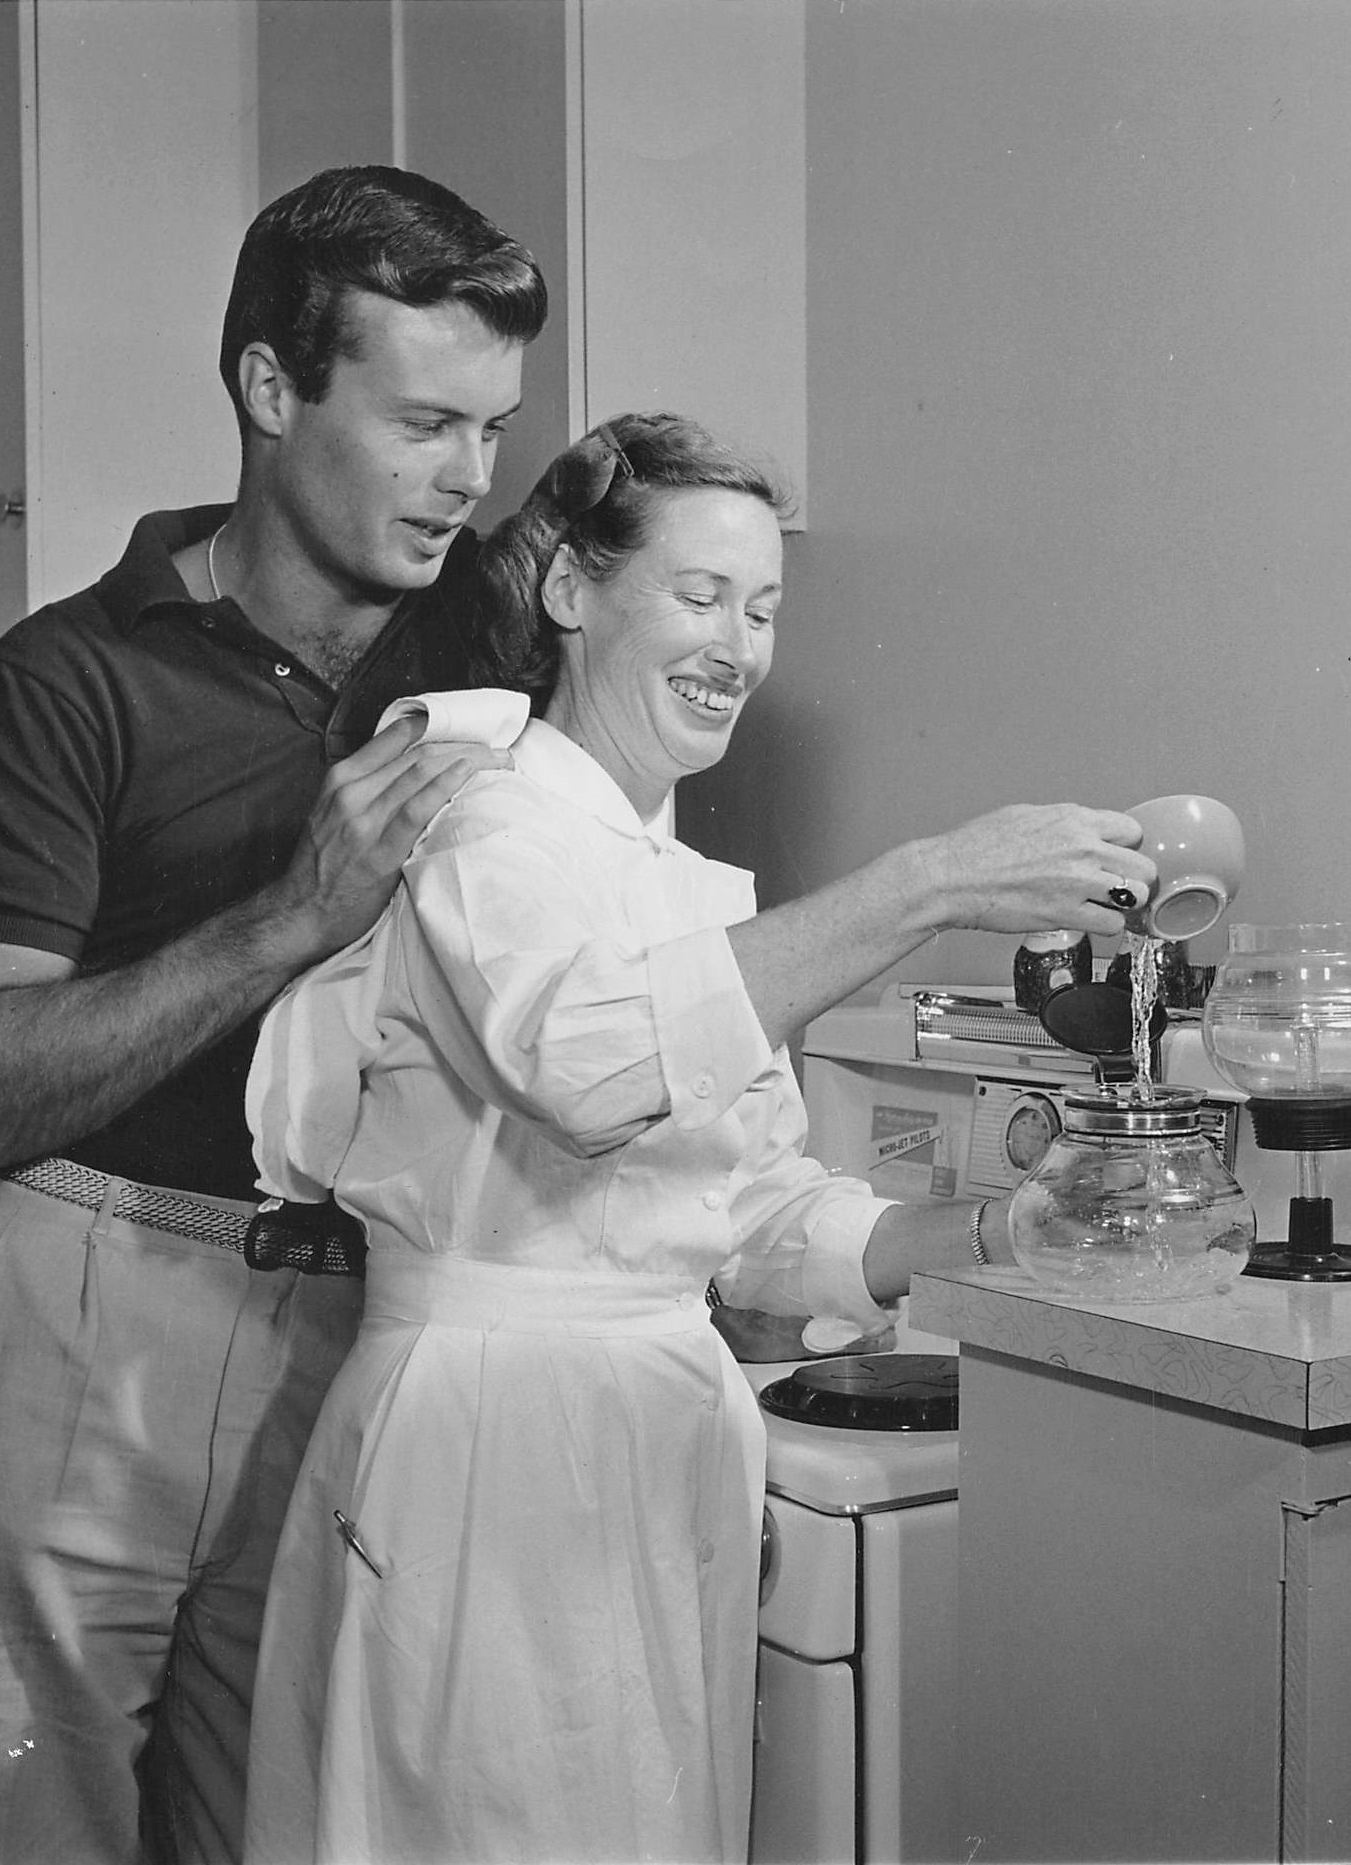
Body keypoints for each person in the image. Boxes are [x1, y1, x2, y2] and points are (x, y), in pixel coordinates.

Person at [238, 413, 1159, 1864]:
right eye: (697, 593)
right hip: (489, 1439)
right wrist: (928, 882)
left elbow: (755, 1213)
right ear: (569, 592)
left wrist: (998, 1229)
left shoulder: (684, 885)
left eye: (764, 605)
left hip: (649, 1439)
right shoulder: (485, 819)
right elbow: (590, 1066)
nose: (740, 640)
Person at [0, 166, 547, 1865]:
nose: (466, 476)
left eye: (490, 428)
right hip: (73, 1290)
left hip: (360, 1329)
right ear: (270, 389)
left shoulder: (490, 643)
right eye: (421, 421)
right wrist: (290, 913)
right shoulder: (68, 678)